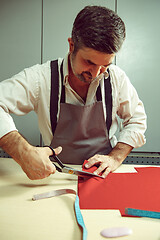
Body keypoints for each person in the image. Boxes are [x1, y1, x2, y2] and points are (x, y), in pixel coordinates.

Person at [0, 6, 146, 180]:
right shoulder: (41, 78)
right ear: (71, 45)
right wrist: (22, 151)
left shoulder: (117, 79)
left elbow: (137, 120)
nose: (96, 74)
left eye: (105, 65)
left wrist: (115, 158)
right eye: (89, 62)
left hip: (103, 176)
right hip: (54, 176)